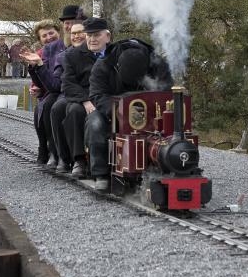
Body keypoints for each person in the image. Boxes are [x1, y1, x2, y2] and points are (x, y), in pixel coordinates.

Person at [87, 35, 173, 191]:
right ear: (118, 66)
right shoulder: (103, 65)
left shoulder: (158, 65)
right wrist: (119, 112)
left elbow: (166, 92)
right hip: (111, 110)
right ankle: (101, 173)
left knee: (168, 127)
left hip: (150, 111)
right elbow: (97, 95)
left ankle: (166, 164)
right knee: (95, 123)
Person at [55, 18, 105, 177]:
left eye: (95, 35)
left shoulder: (111, 52)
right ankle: (79, 160)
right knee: (74, 111)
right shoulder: (71, 55)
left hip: (105, 96)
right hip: (81, 96)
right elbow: (67, 83)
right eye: (90, 35)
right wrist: (85, 101)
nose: (92, 38)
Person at [22, 19, 62, 165]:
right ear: (40, 39)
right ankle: (43, 147)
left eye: (51, 33)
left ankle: (53, 150)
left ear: (59, 33)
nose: (49, 37)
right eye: (44, 36)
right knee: (39, 109)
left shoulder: (64, 50)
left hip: (60, 90)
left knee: (47, 106)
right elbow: (37, 82)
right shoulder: (40, 53)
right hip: (47, 91)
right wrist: (35, 88)